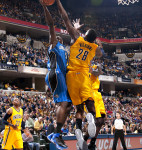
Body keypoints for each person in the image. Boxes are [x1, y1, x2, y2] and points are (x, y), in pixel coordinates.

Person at [55, 1, 103, 149]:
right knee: (88, 102)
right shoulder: (94, 48)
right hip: (83, 76)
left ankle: (77, 128)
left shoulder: (77, 37)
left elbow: (65, 19)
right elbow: (101, 54)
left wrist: (58, 2)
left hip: (71, 76)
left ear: (85, 34)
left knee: (76, 107)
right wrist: (98, 42)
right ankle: (92, 119)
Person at [40, 0, 72, 149]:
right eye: (55, 37)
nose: (57, 37)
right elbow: (51, 25)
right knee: (63, 103)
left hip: (61, 77)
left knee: (69, 105)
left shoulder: (65, 50)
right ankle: (56, 134)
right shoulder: (53, 44)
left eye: (59, 37)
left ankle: (56, 133)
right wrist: (45, 7)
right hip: (55, 73)